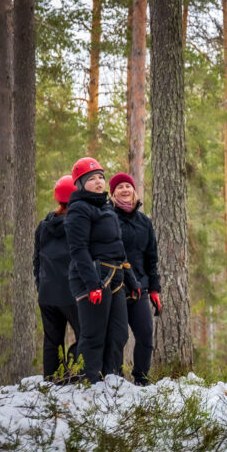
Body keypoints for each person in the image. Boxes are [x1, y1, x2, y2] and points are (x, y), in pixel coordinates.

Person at [65, 157, 140, 383]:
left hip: (116, 276)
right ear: (80, 184)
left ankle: (112, 381)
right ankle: (88, 384)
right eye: (92, 179)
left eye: (100, 178)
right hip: (93, 278)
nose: (98, 182)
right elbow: (79, 249)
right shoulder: (78, 209)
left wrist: (133, 282)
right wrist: (92, 285)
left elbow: (119, 249)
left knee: (118, 334)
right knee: (94, 335)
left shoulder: (107, 209)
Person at [110, 173, 162, 385]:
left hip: (140, 287)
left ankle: (141, 379)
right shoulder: (108, 218)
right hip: (116, 286)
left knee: (146, 335)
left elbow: (152, 258)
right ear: (113, 193)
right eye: (120, 187)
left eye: (128, 186)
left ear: (134, 191)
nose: (124, 189)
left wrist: (155, 289)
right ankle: (114, 380)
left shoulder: (144, 222)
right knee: (118, 337)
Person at [34, 175, 81, 380]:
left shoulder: (43, 226)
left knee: (52, 340)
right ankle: (73, 372)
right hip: (71, 292)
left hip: (47, 293)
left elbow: (37, 260)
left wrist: (40, 285)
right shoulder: (78, 226)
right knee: (87, 335)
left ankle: (52, 381)